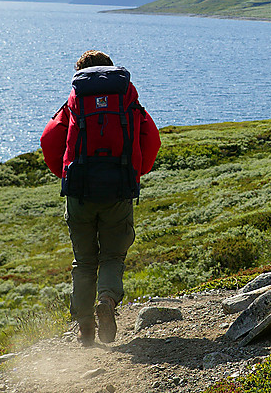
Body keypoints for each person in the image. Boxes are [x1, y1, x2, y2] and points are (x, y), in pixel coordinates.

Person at [40, 50, 161, 346]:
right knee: (112, 255)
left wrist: (66, 175)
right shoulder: (127, 99)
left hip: (80, 191)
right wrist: (134, 174)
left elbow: (48, 140)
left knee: (83, 261)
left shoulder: (75, 101)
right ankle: (106, 301)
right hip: (119, 190)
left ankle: (85, 329)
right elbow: (152, 140)